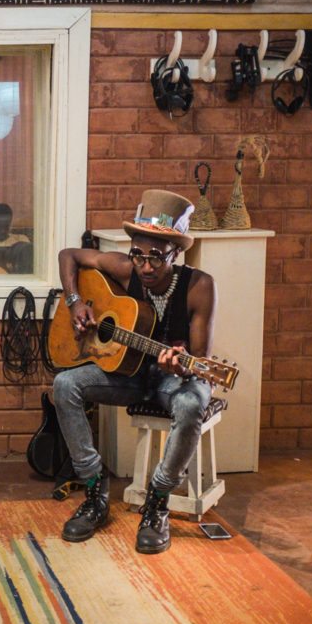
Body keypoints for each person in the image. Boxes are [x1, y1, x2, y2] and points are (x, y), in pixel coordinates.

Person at [53, 189, 216, 555]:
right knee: (65, 385)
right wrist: (75, 302)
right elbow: (69, 256)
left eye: (156, 257)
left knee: (193, 403)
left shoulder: (199, 286)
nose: (145, 266)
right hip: (127, 376)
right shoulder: (126, 270)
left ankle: (157, 503)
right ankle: (95, 493)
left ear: (176, 253)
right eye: (138, 254)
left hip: (173, 379)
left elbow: (202, 360)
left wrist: (181, 361)